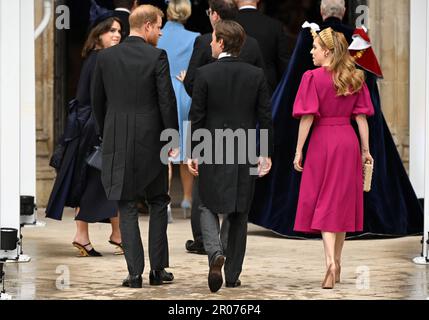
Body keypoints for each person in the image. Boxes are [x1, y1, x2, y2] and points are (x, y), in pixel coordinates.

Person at [249, 0, 423, 239]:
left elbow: (292, 78)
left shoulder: (312, 36)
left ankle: (316, 223)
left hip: (318, 119)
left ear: (322, 12)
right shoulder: (358, 38)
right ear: (343, 13)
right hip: (352, 121)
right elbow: (369, 82)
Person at [92, 4, 179, 288]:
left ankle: (134, 274)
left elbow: (97, 102)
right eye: (159, 26)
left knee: (126, 203)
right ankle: (157, 270)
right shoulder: (157, 56)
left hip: (117, 137)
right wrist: (172, 138)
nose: (160, 32)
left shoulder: (105, 58)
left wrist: (108, 130)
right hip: (152, 140)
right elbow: (166, 100)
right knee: (158, 201)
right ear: (147, 26)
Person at [188, 20, 273, 293]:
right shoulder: (256, 75)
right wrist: (265, 153)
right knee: (240, 210)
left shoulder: (203, 74)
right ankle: (233, 274)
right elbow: (265, 118)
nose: (211, 44)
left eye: (213, 40)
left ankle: (215, 253)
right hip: (246, 147)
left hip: (212, 145)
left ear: (222, 43)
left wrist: (194, 151)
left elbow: (197, 117)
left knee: (207, 205)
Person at [293, 28, 374, 289]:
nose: (311, 51)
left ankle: (329, 261)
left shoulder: (312, 78)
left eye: (315, 47)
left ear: (327, 51)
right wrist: (365, 150)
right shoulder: (354, 77)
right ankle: (337, 262)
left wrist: (298, 149)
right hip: (348, 142)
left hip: (322, 142)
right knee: (341, 202)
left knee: (325, 202)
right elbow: (361, 118)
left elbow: (307, 117)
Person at [46, 2, 123, 257]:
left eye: (119, 30)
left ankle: (103, 235)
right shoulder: (101, 59)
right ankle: (111, 235)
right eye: (111, 30)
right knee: (102, 182)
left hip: (87, 126)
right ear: (98, 33)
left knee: (94, 182)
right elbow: (101, 98)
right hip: (95, 128)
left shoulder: (94, 58)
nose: (117, 34)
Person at [157, 0, 200, 223]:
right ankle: (187, 198)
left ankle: (165, 202)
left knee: (167, 149)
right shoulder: (194, 38)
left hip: (163, 91)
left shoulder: (159, 34)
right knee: (186, 148)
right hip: (184, 92)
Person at [234, 0, 289, 94]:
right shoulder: (275, 26)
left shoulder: (227, 26)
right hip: (267, 89)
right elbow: (284, 65)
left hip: (234, 88)